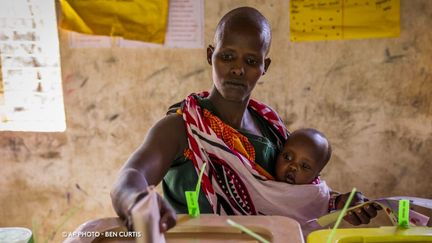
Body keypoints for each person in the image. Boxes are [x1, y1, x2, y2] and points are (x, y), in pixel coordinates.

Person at [110, 6, 380, 234]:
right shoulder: (183, 127)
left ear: (265, 67)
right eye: (227, 56)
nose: (238, 69)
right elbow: (129, 178)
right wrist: (138, 201)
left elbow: (290, 198)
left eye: (251, 60)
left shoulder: (272, 132)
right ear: (210, 56)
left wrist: (338, 203)